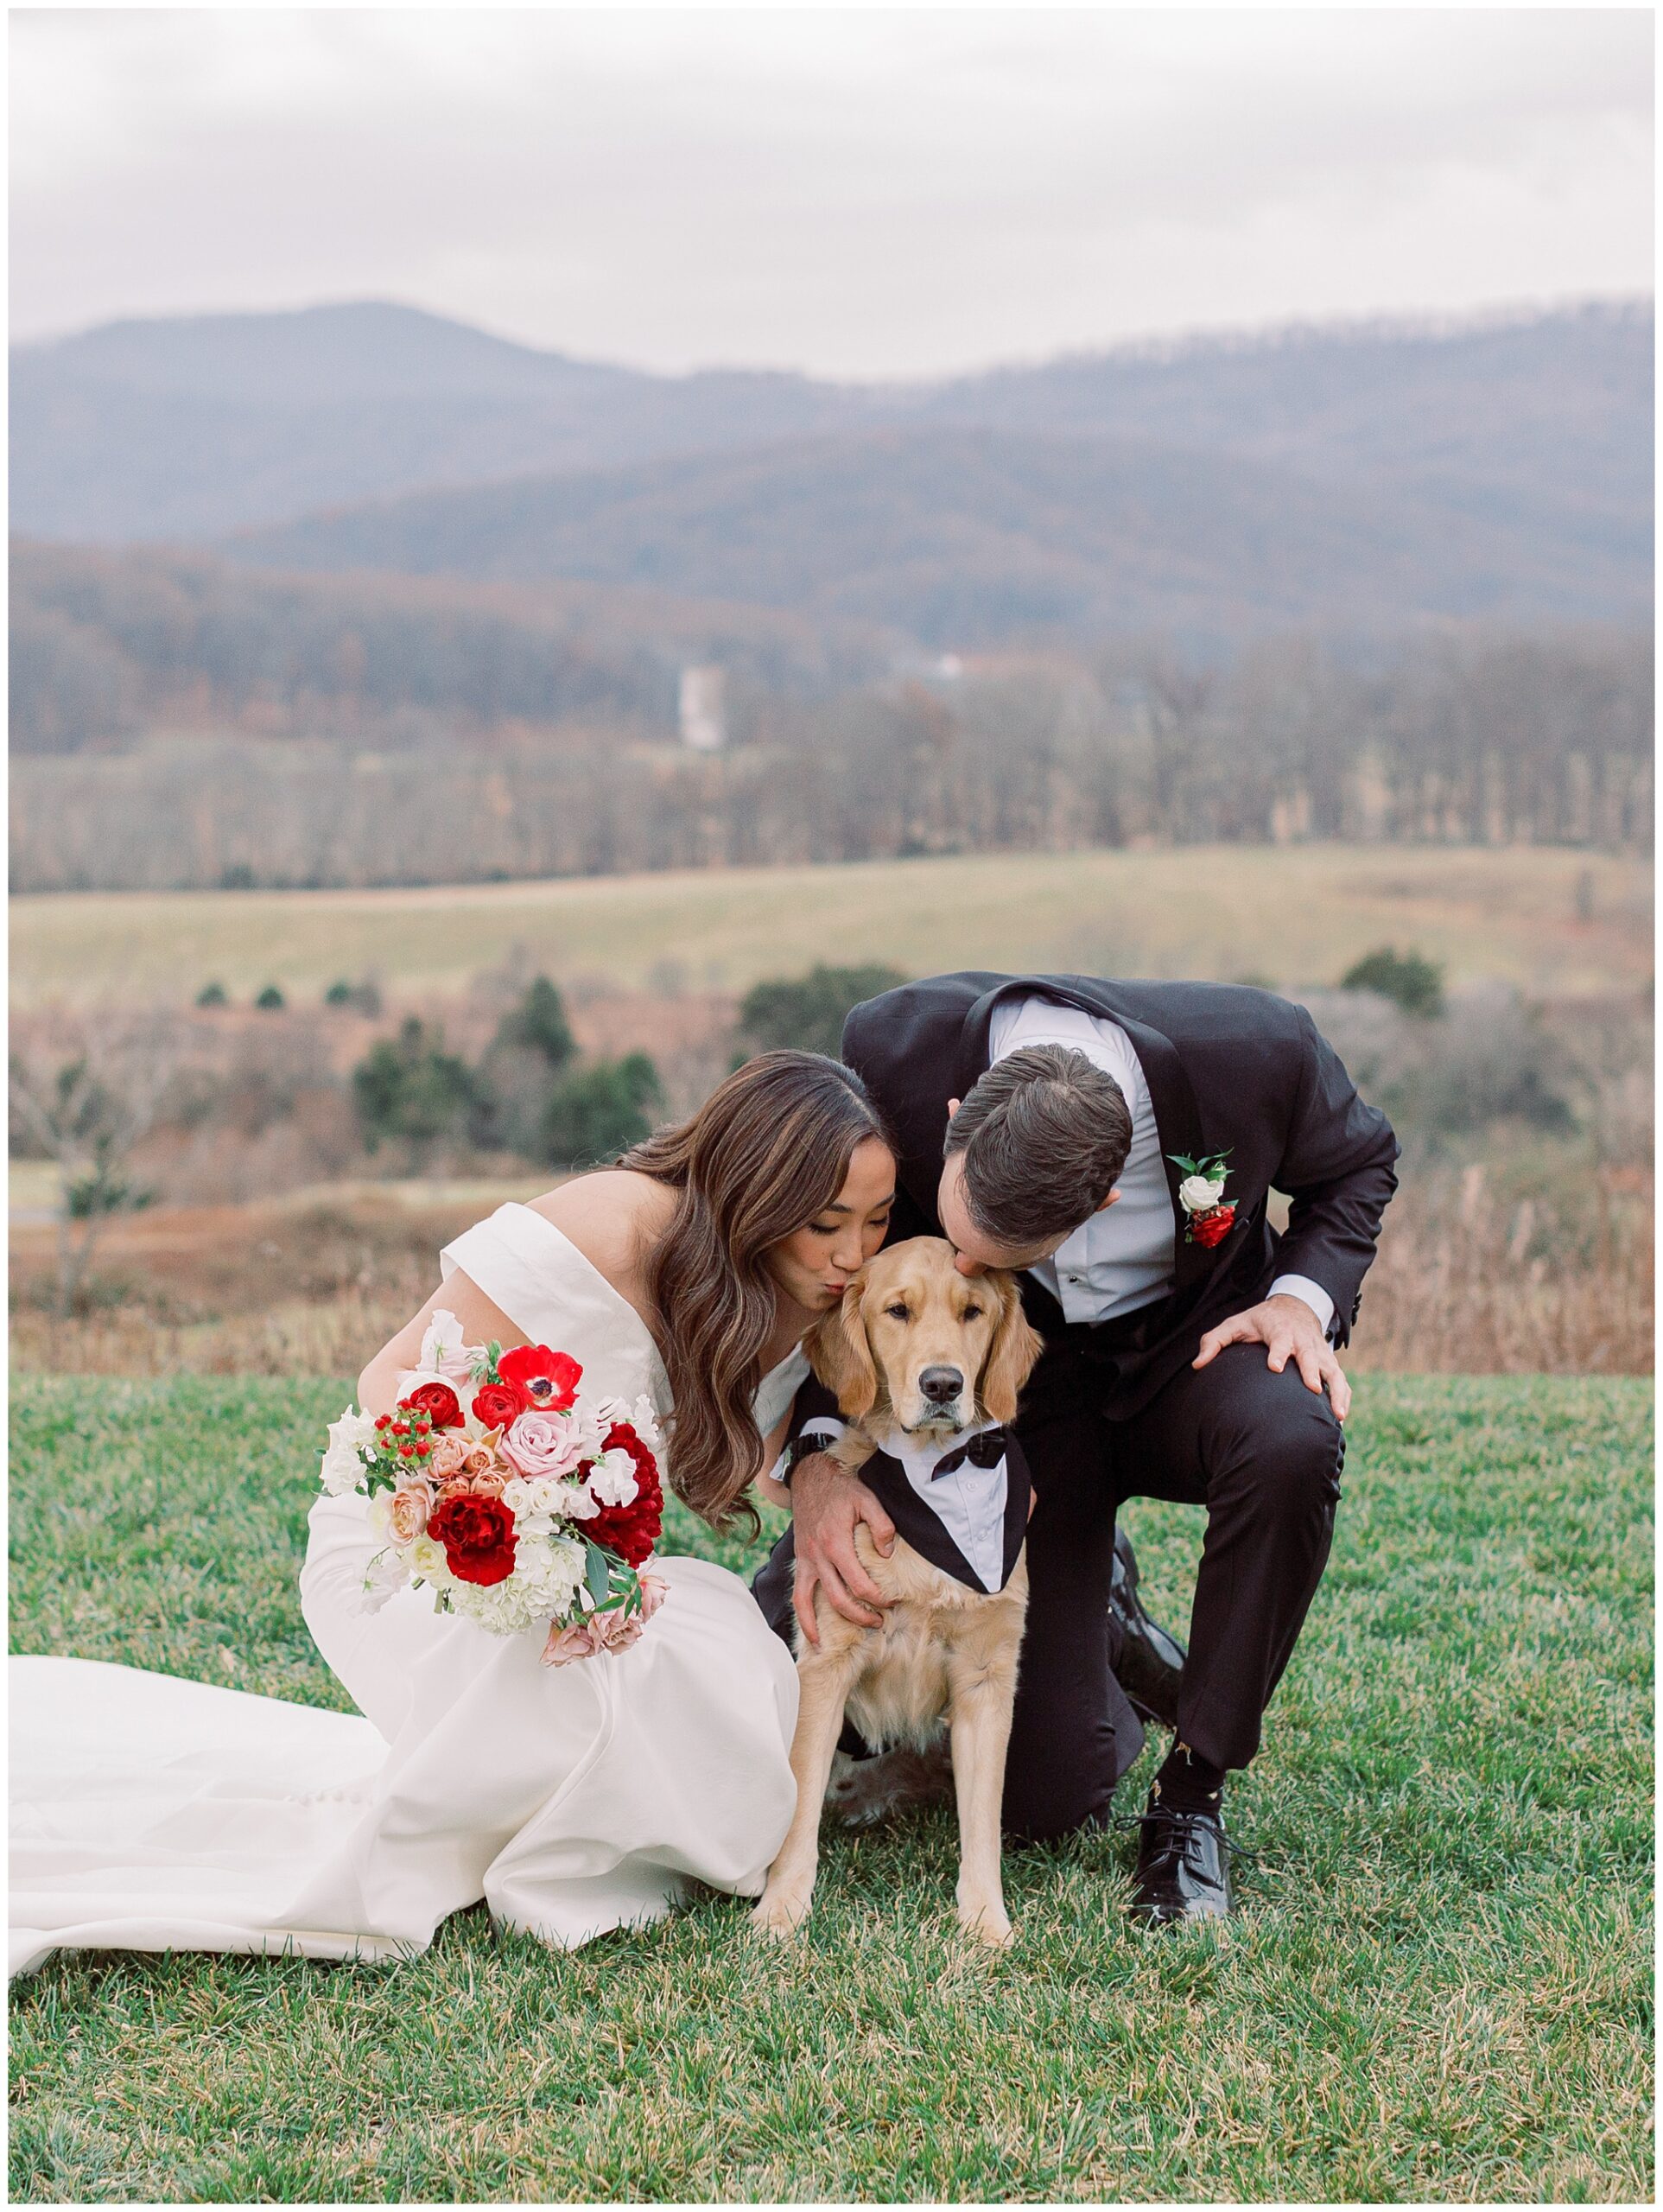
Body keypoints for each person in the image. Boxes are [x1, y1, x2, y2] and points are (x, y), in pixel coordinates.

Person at [10, 1052, 898, 1980]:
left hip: (569, 1573)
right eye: (825, 1223)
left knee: (725, 1671)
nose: (852, 1253)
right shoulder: (613, 1223)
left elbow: (757, 1453)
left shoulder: (797, 1299)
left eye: (876, 1221)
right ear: (753, 1192)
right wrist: (525, 1521)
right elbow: (391, 1380)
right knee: (610, 1708)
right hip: (416, 1547)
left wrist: (816, 1480)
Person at [753, 972, 1399, 1927]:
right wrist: (815, 1457)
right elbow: (853, 1273)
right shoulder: (895, 1048)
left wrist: (1296, 1300)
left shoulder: (1259, 1052)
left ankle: (1191, 1796)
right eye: (956, 1227)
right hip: (1014, 1401)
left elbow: (1359, 1166)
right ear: (951, 1118)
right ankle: (1101, 1614)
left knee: (1292, 1433)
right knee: (1047, 1800)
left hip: (1197, 1356)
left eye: (991, 1255)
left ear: (1100, 1201)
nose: (963, 1258)